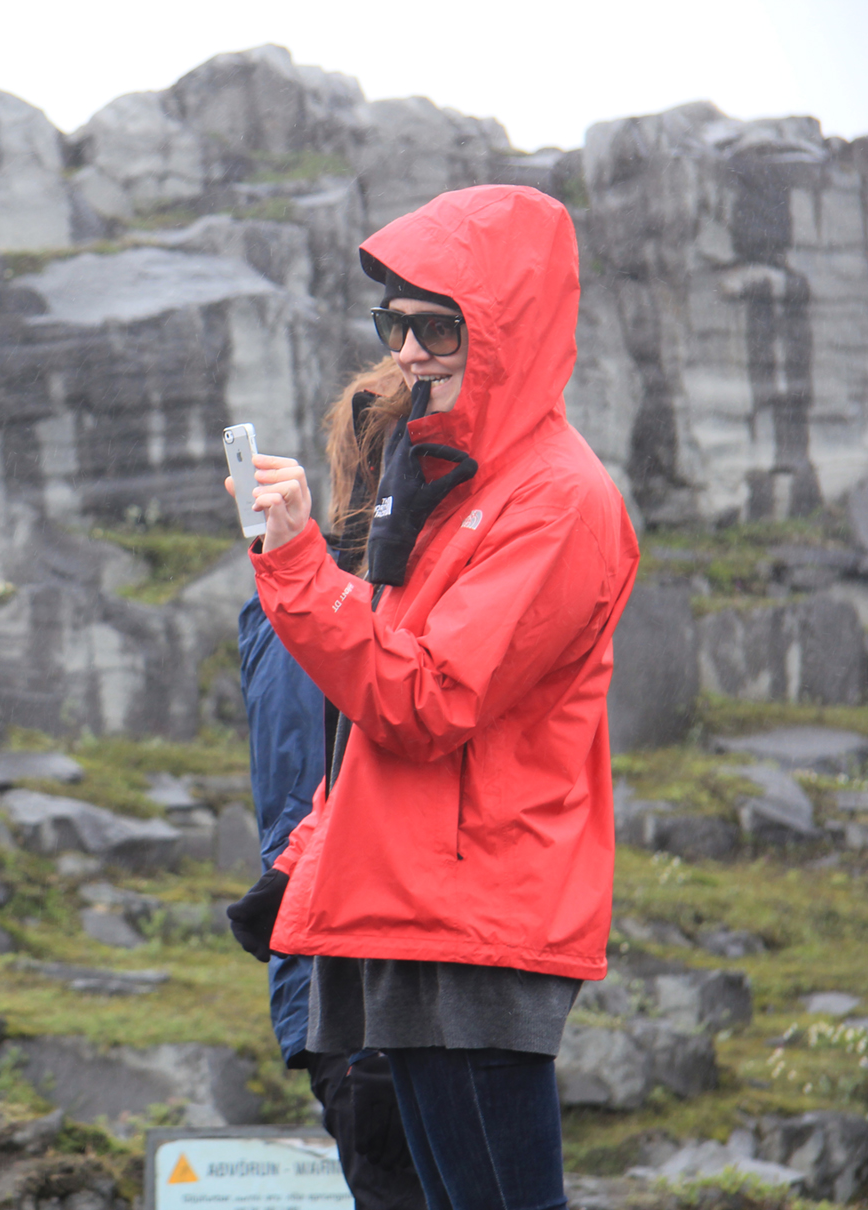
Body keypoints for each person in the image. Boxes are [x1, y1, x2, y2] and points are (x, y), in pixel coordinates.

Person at [228, 185, 639, 1207]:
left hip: (478, 912)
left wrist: (296, 565)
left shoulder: (554, 496)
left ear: (504, 328)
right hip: (411, 906)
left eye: (435, 324)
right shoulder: (452, 481)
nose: (407, 349)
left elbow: (424, 699)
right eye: (395, 323)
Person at [233, 358, 422, 1208]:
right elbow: (338, 782)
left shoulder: (292, 597)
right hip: (372, 966)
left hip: (333, 969)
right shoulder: (348, 603)